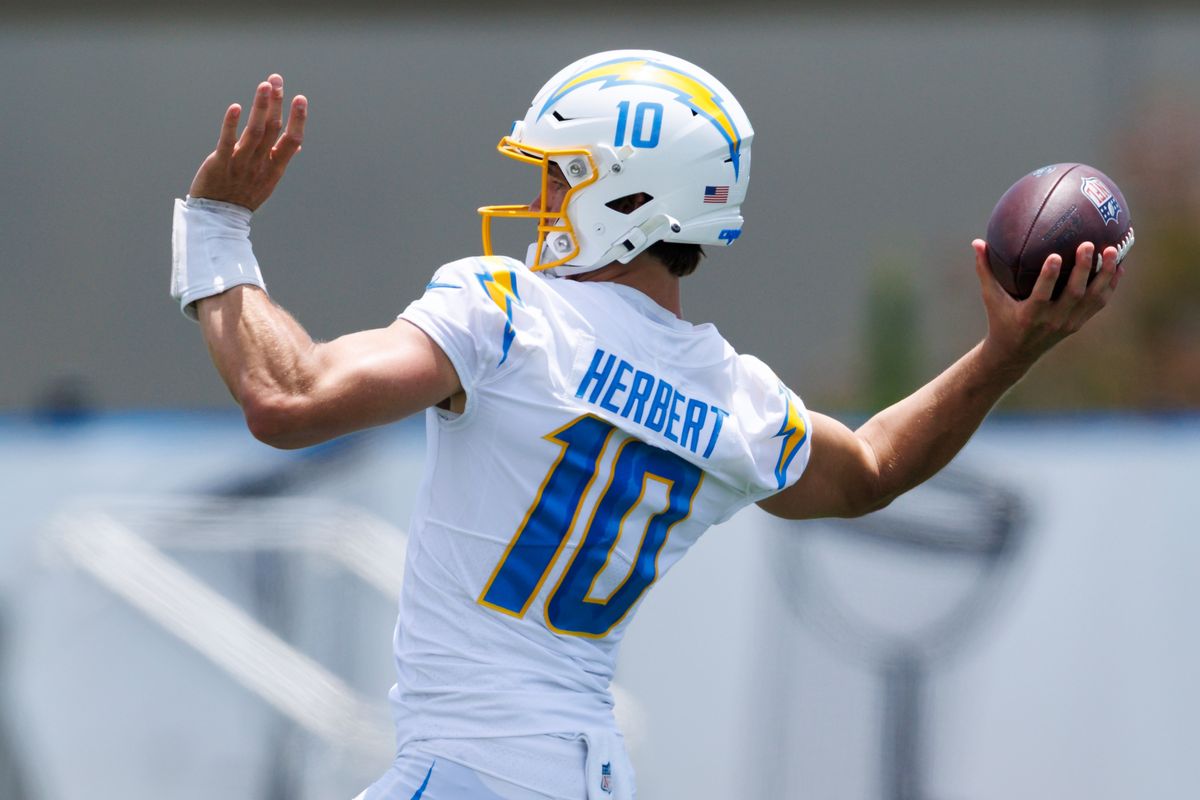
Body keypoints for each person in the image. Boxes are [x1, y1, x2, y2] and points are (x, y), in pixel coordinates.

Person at [171, 51, 1123, 800]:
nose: (542, 202)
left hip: (468, 767)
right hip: (591, 772)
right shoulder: (734, 398)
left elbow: (288, 398)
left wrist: (217, 224)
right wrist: (1010, 351)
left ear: (627, 195)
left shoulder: (508, 313)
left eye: (562, 179)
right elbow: (871, 467)